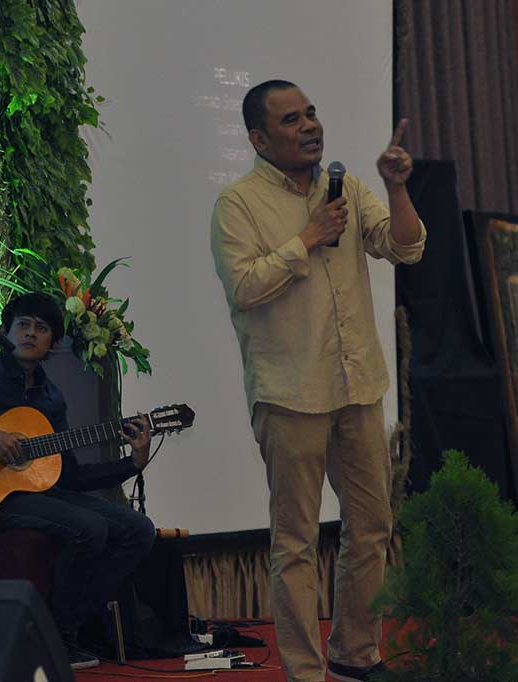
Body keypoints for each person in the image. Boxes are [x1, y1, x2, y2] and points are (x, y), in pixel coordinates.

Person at [210, 80, 425, 682]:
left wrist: (397, 186)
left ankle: (356, 653)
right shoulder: (239, 204)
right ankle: (305, 673)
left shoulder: (349, 189)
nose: (309, 126)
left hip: (358, 387)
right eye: (290, 120)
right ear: (258, 138)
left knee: (372, 526)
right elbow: (246, 287)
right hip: (290, 394)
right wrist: (307, 238)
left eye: (311, 114)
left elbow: (406, 248)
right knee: (297, 541)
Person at [0, 292, 156, 670]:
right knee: (89, 527)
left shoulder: (52, 399)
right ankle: (56, 636)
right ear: (6, 331)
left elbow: (68, 476)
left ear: (53, 343)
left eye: (42, 328)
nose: (30, 333)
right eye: (23, 324)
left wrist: (131, 463)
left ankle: (64, 628)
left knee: (138, 529)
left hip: (31, 494)